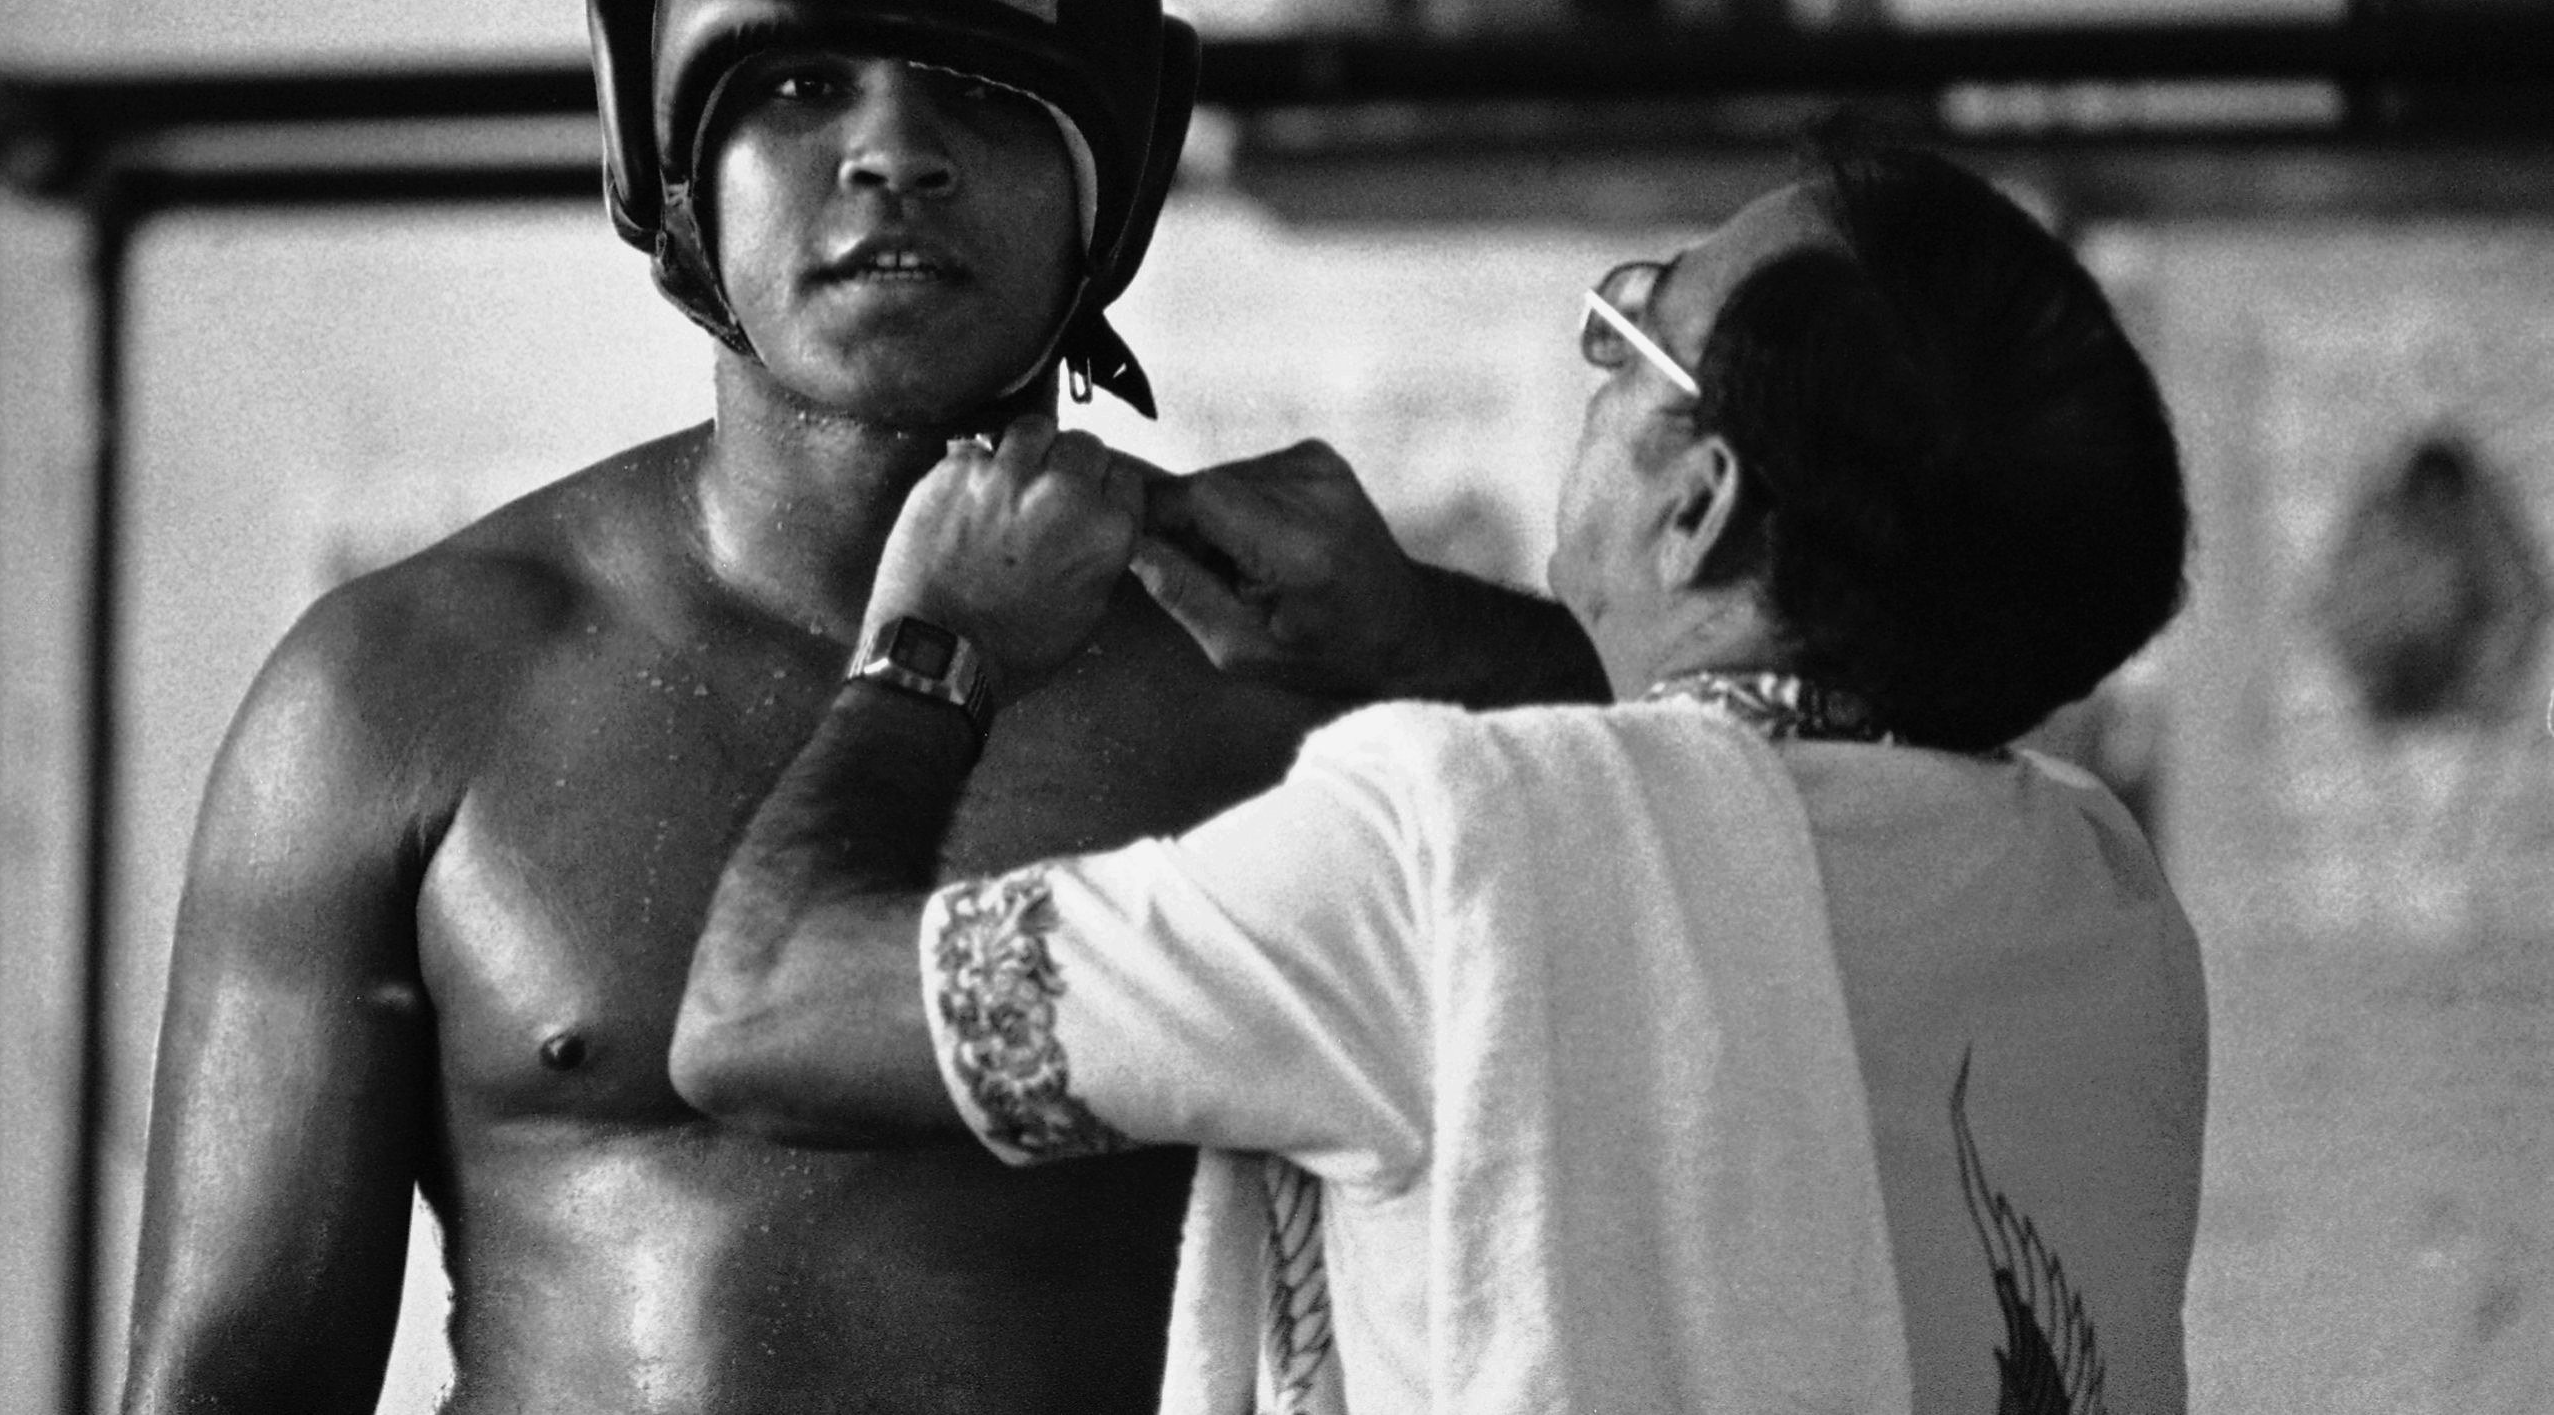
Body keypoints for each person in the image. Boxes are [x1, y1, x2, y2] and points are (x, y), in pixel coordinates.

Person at [117, 0, 1605, 1415]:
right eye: (804, 84)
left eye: (984, 89)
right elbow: (229, 1383)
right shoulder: (403, 688)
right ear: (670, 158)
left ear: (1105, 190)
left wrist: (1447, 645)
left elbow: (1762, 842)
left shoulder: (1287, 692)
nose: (895, 152)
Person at [674, 141, 2210, 1413]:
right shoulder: (2092, 893)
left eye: (1633, 328)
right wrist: (1412, 626)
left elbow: (762, 1011)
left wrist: (933, 643)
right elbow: (1744, 783)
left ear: (1698, 505)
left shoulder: (1433, 866)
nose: (1595, 364)